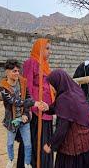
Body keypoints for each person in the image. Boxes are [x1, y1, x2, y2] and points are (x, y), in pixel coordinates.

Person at [40, 69, 89, 168]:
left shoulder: (64, 99)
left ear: (57, 83)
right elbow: (59, 107)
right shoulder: (75, 90)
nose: (51, 88)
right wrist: (48, 108)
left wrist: (50, 144)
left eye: (51, 85)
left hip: (77, 144)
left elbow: (62, 127)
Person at [0, 59, 43, 168]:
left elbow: (28, 97)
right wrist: (34, 103)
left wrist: (26, 113)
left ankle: (27, 163)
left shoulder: (23, 82)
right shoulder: (3, 87)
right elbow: (14, 101)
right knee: (10, 143)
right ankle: (10, 160)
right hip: (12, 120)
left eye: (18, 71)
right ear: (7, 72)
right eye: (14, 71)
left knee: (28, 144)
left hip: (24, 119)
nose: (17, 73)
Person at [22, 38, 55, 168]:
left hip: (46, 111)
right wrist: (30, 106)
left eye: (49, 48)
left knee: (45, 141)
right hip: (36, 112)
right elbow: (27, 87)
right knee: (36, 142)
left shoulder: (45, 65)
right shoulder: (31, 63)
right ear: (39, 49)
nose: (50, 52)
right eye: (47, 48)